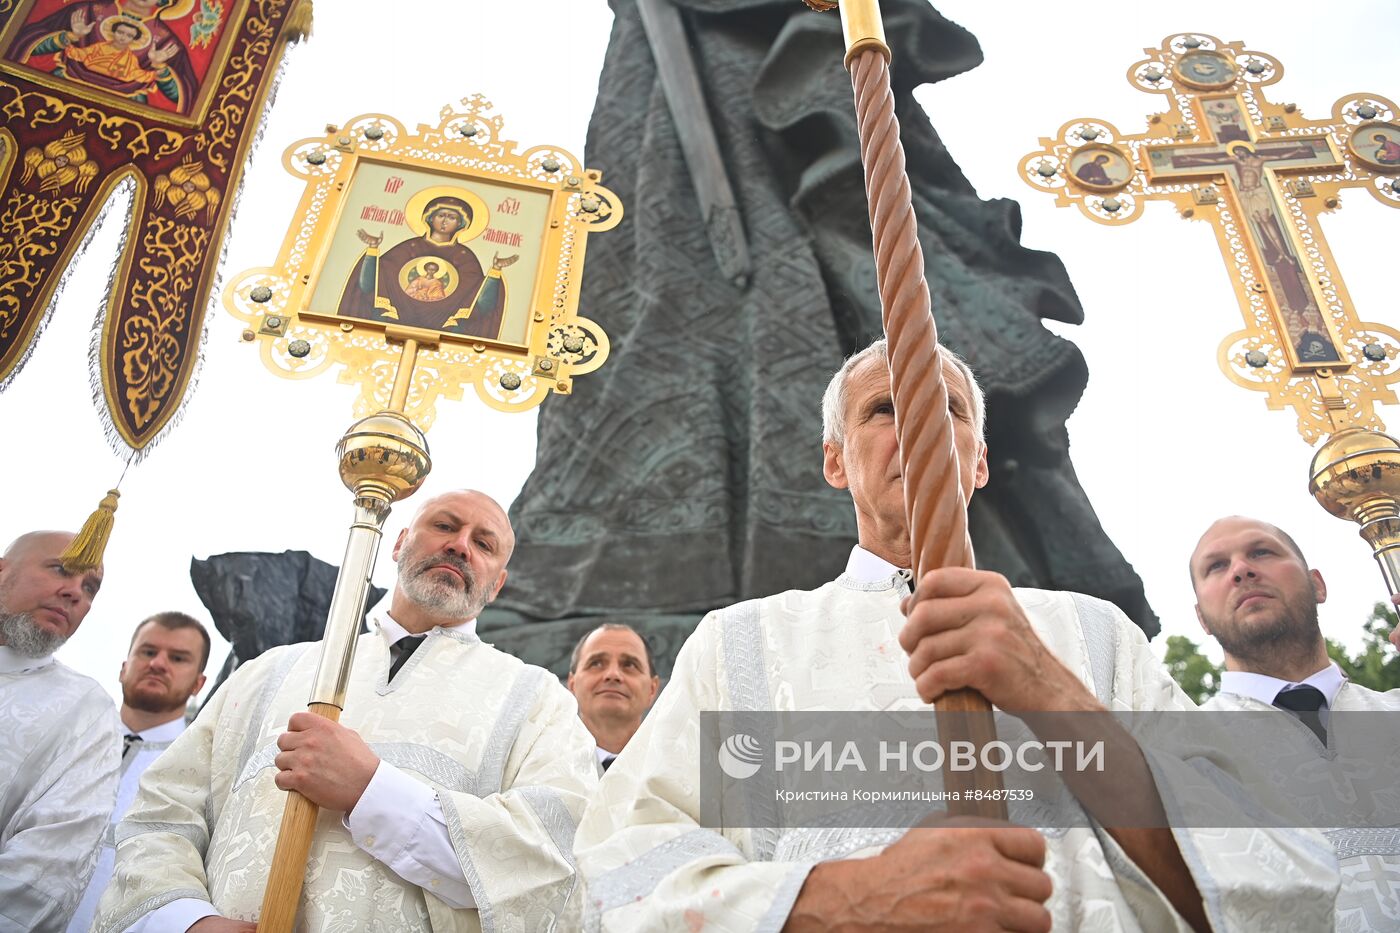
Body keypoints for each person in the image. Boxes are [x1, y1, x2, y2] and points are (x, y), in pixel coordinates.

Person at [575, 338, 1339, 930]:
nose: (917, 421)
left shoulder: (1093, 634)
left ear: (977, 463)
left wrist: (1048, 688)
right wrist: (842, 898)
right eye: (883, 409)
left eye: (949, 407)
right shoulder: (738, 642)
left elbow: (1277, 874)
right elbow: (618, 866)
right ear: (836, 462)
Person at [94, 490, 598, 932]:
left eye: (483, 543)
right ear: (399, 542)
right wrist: (187, 920)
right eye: (444, 525)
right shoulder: (269, 673)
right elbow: (163, 814)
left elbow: (549, 855)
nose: (459, 544)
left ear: (498, 583)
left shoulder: (537, 700)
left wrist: (372, 791)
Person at [1191, 515, 1400, 929]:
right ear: (1202, 619)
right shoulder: (1178, 753)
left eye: (1261, 552)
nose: (1241, 570)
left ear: (1317, 585)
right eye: (1216, 566)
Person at [0, 530, 119, 932]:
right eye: (61, 569)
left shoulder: (86, 711)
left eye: (90, 588)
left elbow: (45, 872)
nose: (75, 593)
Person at [67, 612, 212, 933]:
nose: (158, 664)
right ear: (124, 667)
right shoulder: (66, 738)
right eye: (148, 652)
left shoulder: (202, 771)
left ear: (198, 684)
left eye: (178, 658)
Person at [338, 195, 517, 339]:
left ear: (461, 224)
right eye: (441, 215)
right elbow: (370, 286)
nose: (445, 221)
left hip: (444, 328)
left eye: (452, 217)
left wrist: (495, 272)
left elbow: (479, 305)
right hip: (391, 321)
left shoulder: (465, 257)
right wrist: (372, 250)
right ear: (430, 218)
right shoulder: (409, 247)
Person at [9, 1, 198, 113]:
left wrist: (159, 67)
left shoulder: (166, 40)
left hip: (128, 106)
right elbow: (26, 44)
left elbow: (183, 97)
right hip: (58, 86)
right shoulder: (87, 11)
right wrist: (70, 37)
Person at [567, 623, 660, 772]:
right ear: (572, 684)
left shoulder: (682, 769)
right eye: (596, 663)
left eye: (629, 665)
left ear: (652, 689)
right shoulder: (539, 765)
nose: (613, 674)